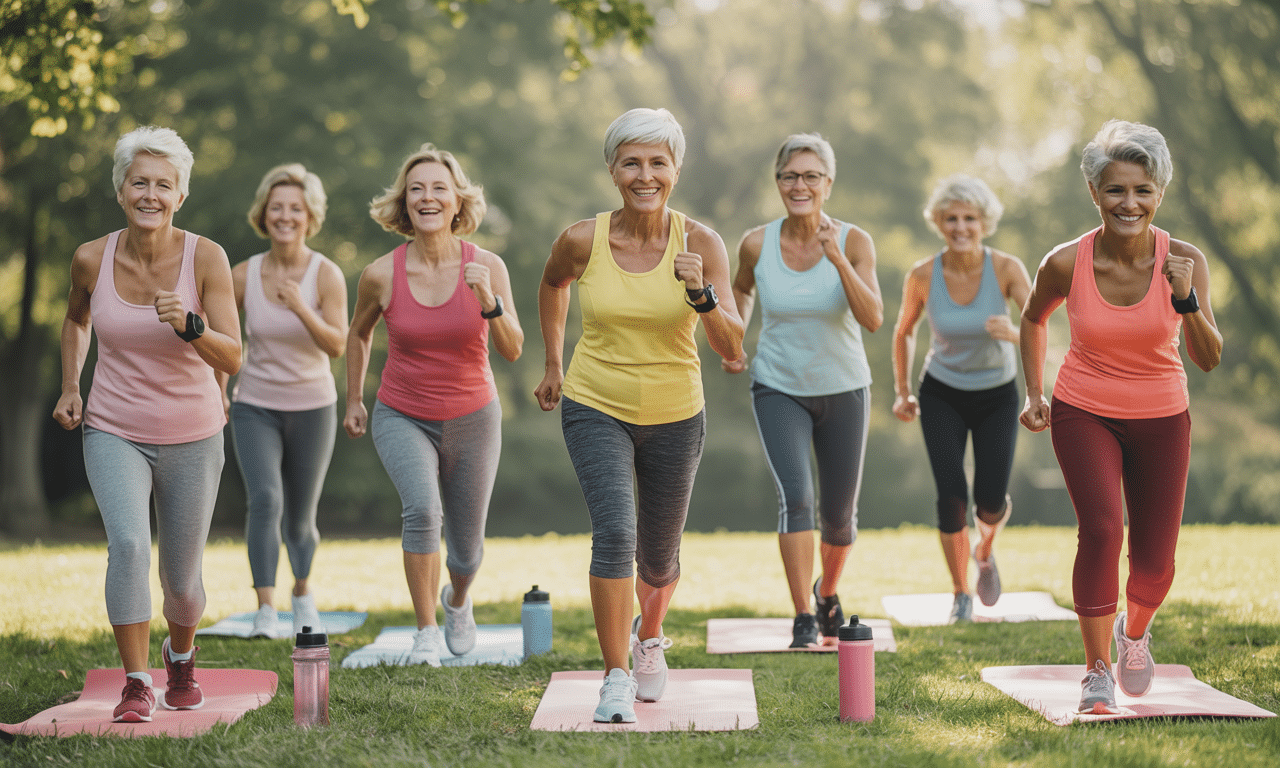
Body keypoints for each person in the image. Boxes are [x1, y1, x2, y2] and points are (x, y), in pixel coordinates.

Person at [535, 107, 744, 723]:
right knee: (616, 536)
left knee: (658, 556)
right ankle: (615, 675)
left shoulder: (700, 243)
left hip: (677, 411)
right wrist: (552, 362)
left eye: (657, 162)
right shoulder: (582, 239)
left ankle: (649, 635)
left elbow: (732, 347)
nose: (644, 174)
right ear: (613, 169)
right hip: (594, 402)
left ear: (675, 169)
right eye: (632, 162)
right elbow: (553, 285)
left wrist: (701, 294)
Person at [1019, 120, 1222, 714]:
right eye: (1115, 190)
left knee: (1156, 560)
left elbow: (1208, 359)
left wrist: (1185, 300)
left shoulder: (1185, 260)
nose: (1128, 203)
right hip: (1084, 409)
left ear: (1159, 194)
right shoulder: (1065, 263)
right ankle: (1095, 670)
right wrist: (1036, 391)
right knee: (1103, 529)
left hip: (1163, 414)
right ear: (1094, 193)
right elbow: (1033, 319)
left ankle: (1133, 634)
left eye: (1142, 191)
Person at [52, 126, 241, 722]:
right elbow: (76, 321)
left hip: (193, 430)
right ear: (121, 191)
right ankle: (136, 683)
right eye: (140, 182)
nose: (151, 194)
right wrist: (69, 387)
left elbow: (232, 354)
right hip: (114, 426)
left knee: (183, 583)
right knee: (129, 546)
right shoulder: (91, 257)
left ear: (180, 196)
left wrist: (191, 324)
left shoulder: (205, 257)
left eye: (164, 184)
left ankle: (179, 656)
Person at [345, 143, 522, 667]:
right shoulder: (381, 274)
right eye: (416, 189)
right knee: (422, 512)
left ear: (456, 200)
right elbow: (357, 335)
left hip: (474, 415)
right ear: (404, 202)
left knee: (466, 550)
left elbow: (512, 349)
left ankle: (456, 601)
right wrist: (355, 398)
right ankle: (425, 630)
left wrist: (488, 301)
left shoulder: (487, 265)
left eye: (438, 188)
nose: (428, 197)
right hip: (402, 412)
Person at [722, 133, 883, 647]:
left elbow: (874, 318)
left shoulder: (854, 242)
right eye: (790, 175)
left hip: (844, 389)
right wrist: (735, 338)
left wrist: (836, 258)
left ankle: (827, 593)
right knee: (797, 498)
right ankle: (802, 617)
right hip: (778, 386)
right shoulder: (755, 243)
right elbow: (741, 289)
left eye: (811, 176)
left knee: (839, 519)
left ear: (828, 184)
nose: (800, 185)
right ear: (778, 182)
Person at [890, 175, 1031, 624]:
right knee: (950, 496)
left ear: (984, 222)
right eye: (951, 218)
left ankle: (985, 550)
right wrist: (903, 391)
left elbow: (1038, 326)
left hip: (997, 395)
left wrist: (1012, 333)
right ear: (938, 222)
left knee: (989, 501)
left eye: (969, 218)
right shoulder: (922, 274)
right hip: (942, 392)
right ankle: (960, 594)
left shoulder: (1007, 269)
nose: (960, 227)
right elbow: (904, 331)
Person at [221, 164, 348, 638]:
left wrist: (299, 306)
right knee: (265, 500)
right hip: (255, 403)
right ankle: (265, 609)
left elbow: (336, 344)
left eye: (295, 208)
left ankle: (301, 592)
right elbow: (222, 342)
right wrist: (219, 392)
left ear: (310, 215)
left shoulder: (326, 274)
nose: (285, 216)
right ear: (263, 213)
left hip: (314, 406)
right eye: (277, 207)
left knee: (300, 515)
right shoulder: (242, 275)